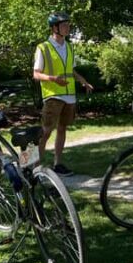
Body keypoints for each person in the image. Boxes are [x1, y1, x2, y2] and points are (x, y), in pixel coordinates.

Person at [32, 12, 93, 177]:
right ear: (54, 28)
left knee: (62, 129)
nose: (68, 28)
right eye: (64, 25)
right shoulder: (43, 47)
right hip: (53, 95)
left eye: (68, 25)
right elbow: (36, 74)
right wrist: (52, 79)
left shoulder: (70, 46)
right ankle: (34, 165)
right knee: (45, 131)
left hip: (69, 96)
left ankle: (58, 164)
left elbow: (70, 71)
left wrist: (83, 81)